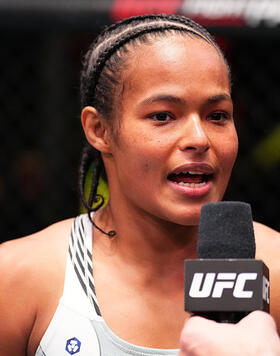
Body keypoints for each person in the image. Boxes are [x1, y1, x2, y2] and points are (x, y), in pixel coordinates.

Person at [0, 14, 279, 356]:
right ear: (99, 130)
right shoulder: (17, 278)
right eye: (163, 115)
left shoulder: (275, 270)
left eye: (217, 115)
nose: (198, 137)